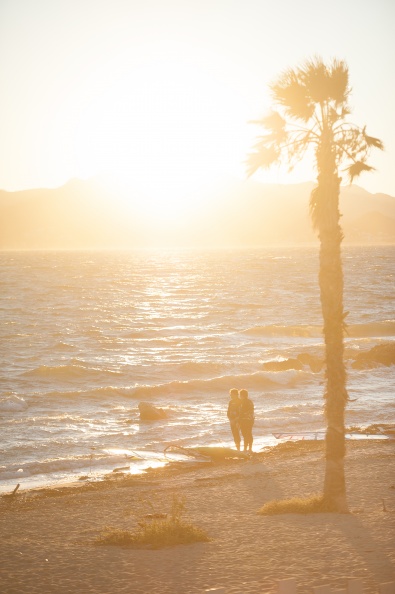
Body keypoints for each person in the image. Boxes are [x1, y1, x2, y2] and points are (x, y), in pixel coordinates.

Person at [239, 389, 254, 453]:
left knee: (246, 434)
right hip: (247, 420)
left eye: (240, 395)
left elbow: (247, 411)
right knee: (247, 434)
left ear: (243, 395)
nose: (240, 396)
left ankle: (246, 448)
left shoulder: (246, 402)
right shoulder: (246, 402)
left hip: (246, 420)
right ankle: (248, 448)